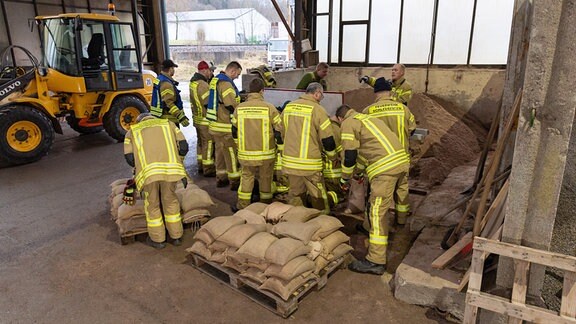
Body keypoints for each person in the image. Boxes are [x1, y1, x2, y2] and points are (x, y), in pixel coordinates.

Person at [336, 105, 410, 275]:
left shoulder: (348, 123)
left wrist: (345, 178)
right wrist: (359, 173)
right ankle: (367, 227)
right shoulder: (367, 119)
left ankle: (375, 260)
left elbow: (350, 155)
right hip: (400, 162)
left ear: (340, 118)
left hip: (385, 169)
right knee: (373, 202)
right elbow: (364, 154)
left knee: (377, 211)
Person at [123, 113, 189, 249]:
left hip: (148, 175)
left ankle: (158, 240)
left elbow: (129, 158)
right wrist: (179, 162)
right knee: (170, 200)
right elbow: (183, 147)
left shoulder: (132, 132)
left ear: (139, 120)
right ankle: (176, 236)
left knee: (152, 204)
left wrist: (140, 167)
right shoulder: (168, 124)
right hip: (170, 171)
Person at [362, 77, 416, 225]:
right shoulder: (403, 109)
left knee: (378, 195)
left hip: (380, 161)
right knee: (402, 189)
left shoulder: (368, 111)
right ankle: (401, 220)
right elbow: (412, 129)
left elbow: (362, 136)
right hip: (402, 158)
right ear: (390, 92)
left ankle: (375, 224)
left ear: (376, 93)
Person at [281, 82, 337, 213]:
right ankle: (322, 222)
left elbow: (280, 132)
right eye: (321, 96)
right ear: (317, 93)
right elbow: (328, 140)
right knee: (318, 196)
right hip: (310, 164)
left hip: (290, 162)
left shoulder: (288, 107)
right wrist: (332, 157)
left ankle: (296, 222)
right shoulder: (318, 110)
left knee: (295, 195)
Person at [232, 78, 283, 210]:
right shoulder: (269, 108)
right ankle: (264, 207)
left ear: (249, 91)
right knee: (265, 179)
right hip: (266, 154)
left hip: (246, 154)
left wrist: (238, 145)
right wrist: (281, 148)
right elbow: (279, 130)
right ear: (262, 91)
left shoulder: (239, 108)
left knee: (246, 179)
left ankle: (242, 207)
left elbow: (234, 129)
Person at [206, 61, 243, 190]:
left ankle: (221, 178)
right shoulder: (226, 84)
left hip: (215, 125)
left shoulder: (215, 80)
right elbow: (230, 104)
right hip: (225, 125)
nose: (237, 77)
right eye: (237, 75)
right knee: (231, 153)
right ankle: (234, 181)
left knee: (220, 153)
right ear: (232, 71)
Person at [190, 60, 217, 177]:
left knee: (201, 143)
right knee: (208, 143)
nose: (210, 73)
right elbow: (207, 103)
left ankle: (201, 164)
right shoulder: (203, 85)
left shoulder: (193, 83)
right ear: (204, 70)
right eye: (210, 71)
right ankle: (208, 168)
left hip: (197, 119)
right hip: (205, 121)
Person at [150, 59, 190, 127]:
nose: (174, 70)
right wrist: (180, 116)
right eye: (173, 68)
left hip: (162, 117)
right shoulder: (166, 83)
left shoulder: (160, 79)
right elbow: (168, 103)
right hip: (169, 120)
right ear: (170, 69)